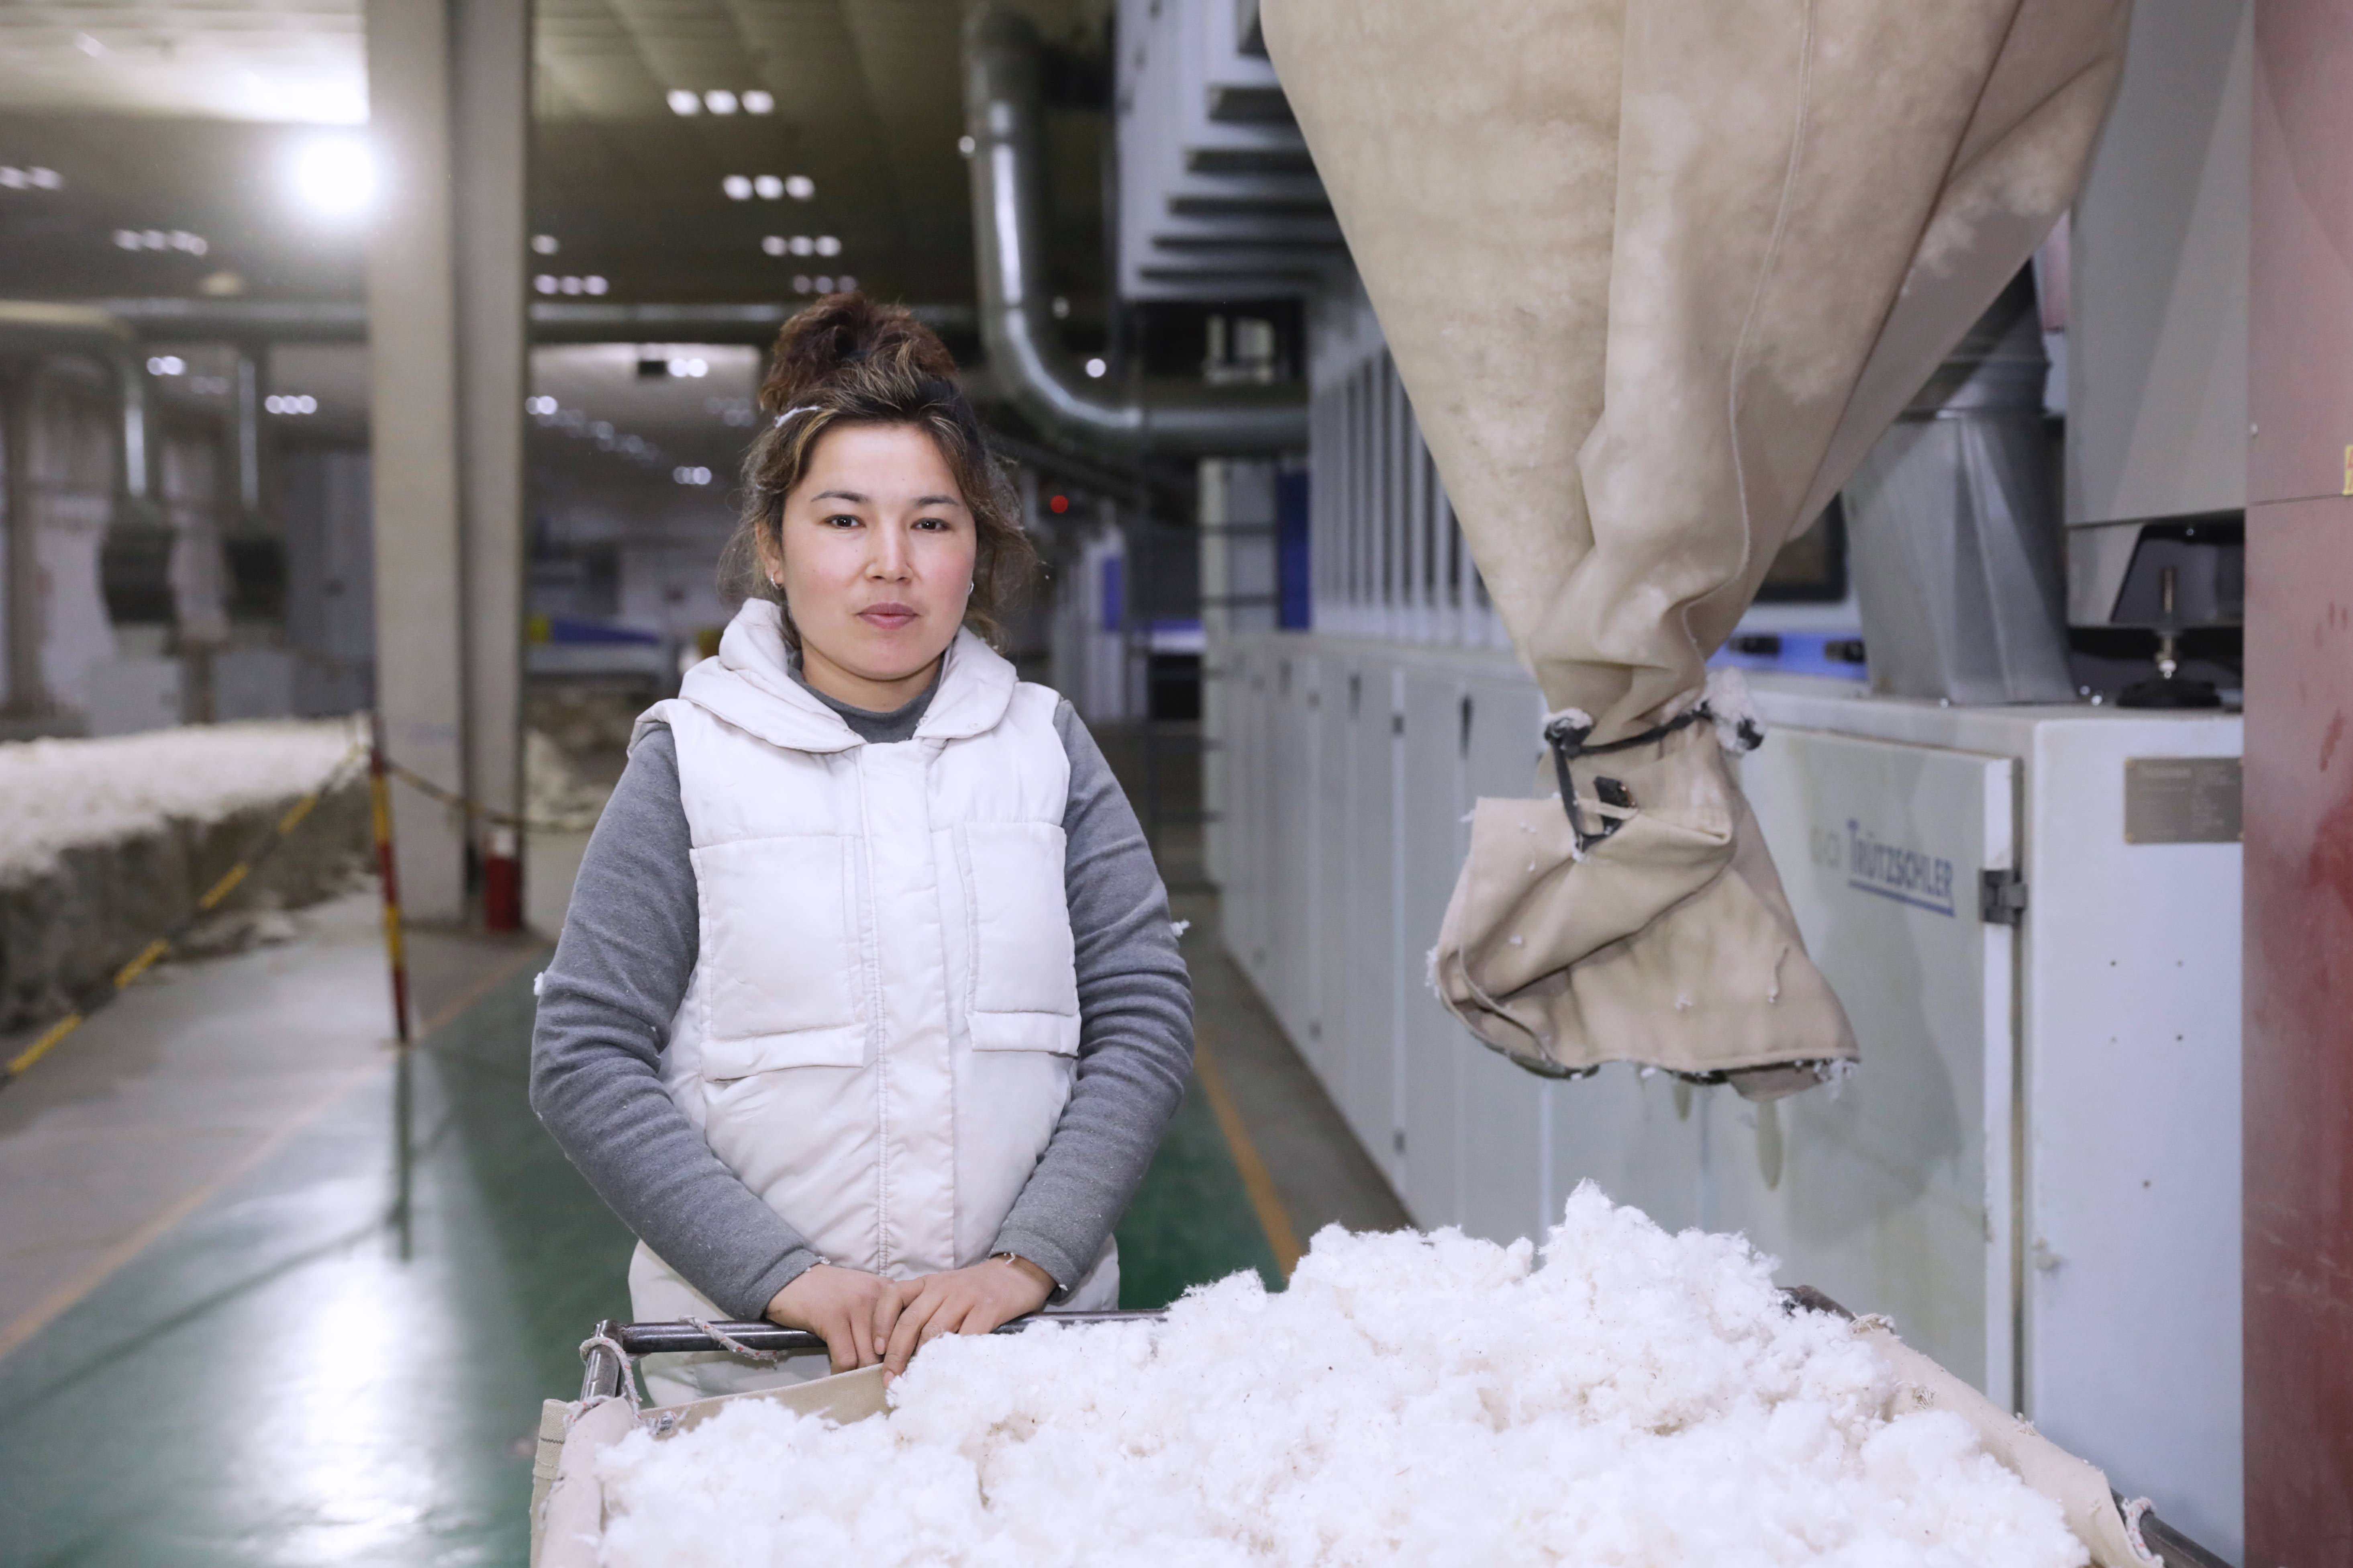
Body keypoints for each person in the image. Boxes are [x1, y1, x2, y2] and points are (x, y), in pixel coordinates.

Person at [529, 294, 1193, 1404]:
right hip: (752, 1373)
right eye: (843, 520)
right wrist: (777, 1275)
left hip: (1025, 1368)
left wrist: (1028, 1258)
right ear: (773, 552)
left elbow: (1143, 1017)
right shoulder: (690, 760)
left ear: (975, 553)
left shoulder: (1046, 750)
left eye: (932, 522)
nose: (890, 561)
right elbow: (586, 1054)